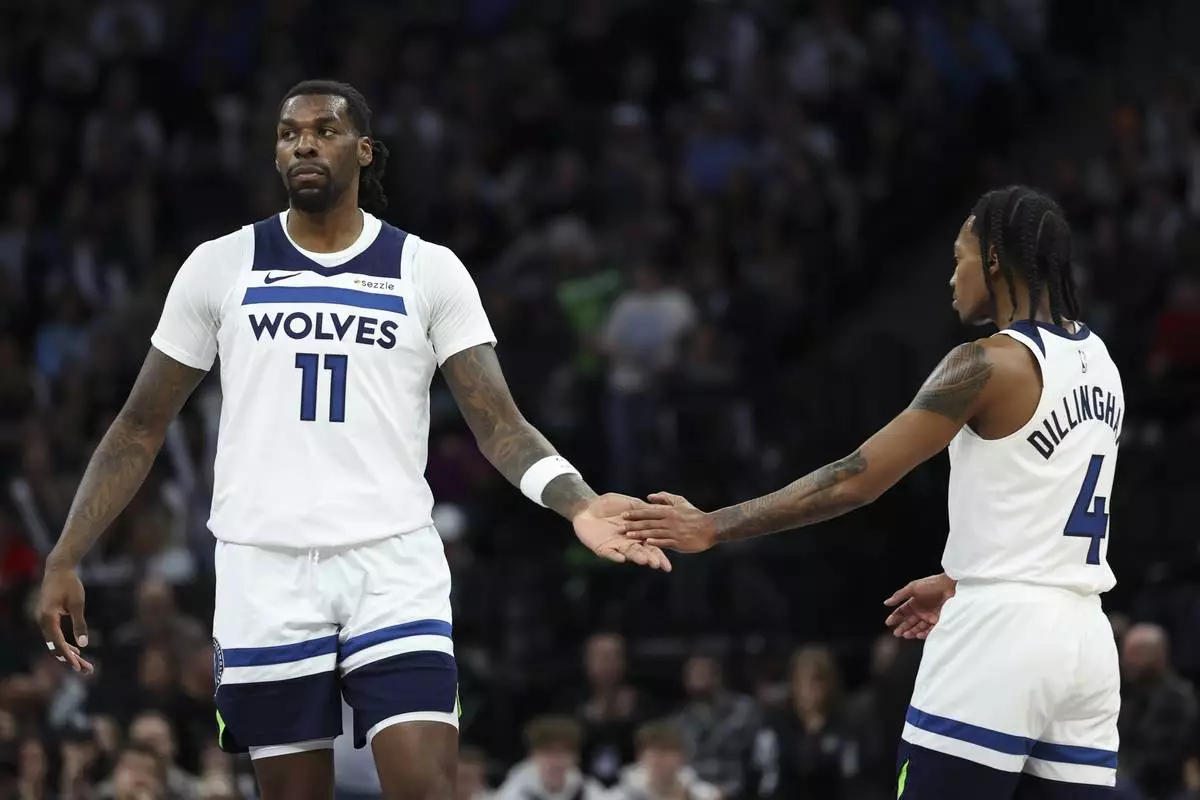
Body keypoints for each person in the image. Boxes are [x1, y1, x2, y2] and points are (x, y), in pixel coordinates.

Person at [35, 79, 670, 800]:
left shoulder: (427, 269)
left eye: (324, 130)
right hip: (264, 568)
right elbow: (139, 425)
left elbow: (500, 424)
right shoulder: (220, 265)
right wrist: (67, 552)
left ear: (364, 151)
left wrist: (578, 503)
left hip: (391, 561)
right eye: (288, 133)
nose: (303, 143)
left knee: (426, 786)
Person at [622, 186, 1123, 797]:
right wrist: (965, 577)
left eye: (960, 258)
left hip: (1000, 636)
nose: (952, 277)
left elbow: (857, 478)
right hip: (1086, 642)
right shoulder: (1101, 362)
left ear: (994, 259)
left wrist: (711, 525)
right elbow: (1045, 495)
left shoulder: (985, 364)